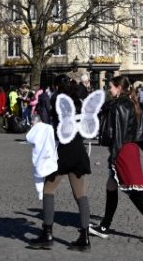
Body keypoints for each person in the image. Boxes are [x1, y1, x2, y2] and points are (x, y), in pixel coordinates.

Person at [91, 76, 143, 243]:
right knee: (111, 185)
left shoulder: (119, 106)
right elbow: (140, 131)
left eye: (111, 87)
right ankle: (104, 226)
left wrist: (115, 154)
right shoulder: (133, 104)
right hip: (128, 149)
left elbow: (116, 132)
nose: (109, 90)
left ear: (118, 88)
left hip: (122, 150)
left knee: (134, 193)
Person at [30, 80, 97, 250]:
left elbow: (53, 126)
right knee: (80, 194)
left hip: (64, 152)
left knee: (48, 190)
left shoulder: (59, 105)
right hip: (79, 151)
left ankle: (47, 233)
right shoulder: (79, 105)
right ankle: (85, 236)